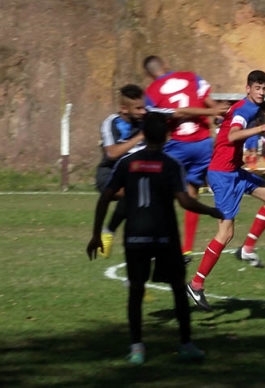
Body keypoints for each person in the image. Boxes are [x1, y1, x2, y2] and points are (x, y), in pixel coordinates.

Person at [86, 112, 224, 365]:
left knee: (136, 291)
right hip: (165, 237)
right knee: (177, 291)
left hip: (135, 237)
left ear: (144, 134)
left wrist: (98, 233)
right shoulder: (172, 165)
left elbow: (106, 197)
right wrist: (211, 210)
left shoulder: (127, 164)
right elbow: (184, 201)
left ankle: (137, 348)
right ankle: (186, 345)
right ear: (167, 136)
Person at [186, 70, 265, 312]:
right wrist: (262, 128)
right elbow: (231, 135)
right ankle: (196, 284)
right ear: (248, 88)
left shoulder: (247, 107)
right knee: (225, 233)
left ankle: (247, 249)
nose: (262, 92)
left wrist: (263, 130)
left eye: (264, 88)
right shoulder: (245, 109)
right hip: (222, 175)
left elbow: (230, 134)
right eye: (258, 88)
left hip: (234, 171)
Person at [143, 56, 229, 265]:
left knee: (160, 197)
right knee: (191, 194)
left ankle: (157, 245)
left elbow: (165, 118)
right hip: (202, 145)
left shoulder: (151, 93)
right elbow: (213, 105)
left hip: (177, 146)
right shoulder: (191, 77)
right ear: (165, 66)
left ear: (150, 74)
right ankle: (186, 250)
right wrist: (217, 113)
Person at [95, 84, 147, 258]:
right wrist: (140, 137)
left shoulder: (146, 120)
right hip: (109, 174)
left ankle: (113, 234)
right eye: (138, 108)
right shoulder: (111, 123)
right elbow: (112, 153)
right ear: (124, 108)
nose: (143, 111)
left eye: (144, 107)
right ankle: (109, 231)